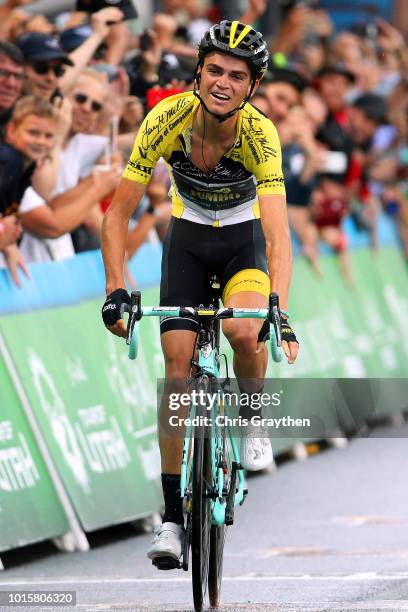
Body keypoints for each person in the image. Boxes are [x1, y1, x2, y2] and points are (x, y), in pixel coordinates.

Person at [101, 20, 299, 567]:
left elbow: (279, 236)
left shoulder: (260, 136)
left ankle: (253, 414)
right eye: (214, 69)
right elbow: (117, 215)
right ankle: (170, 519)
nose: (223, 82)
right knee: (176, 363)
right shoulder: (164, 119)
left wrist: (277, 307)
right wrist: (116, 287)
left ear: (252, 86)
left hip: (243, 240)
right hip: (187, 238)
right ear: (198, 71)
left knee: (242, 328)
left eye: (237, 76)